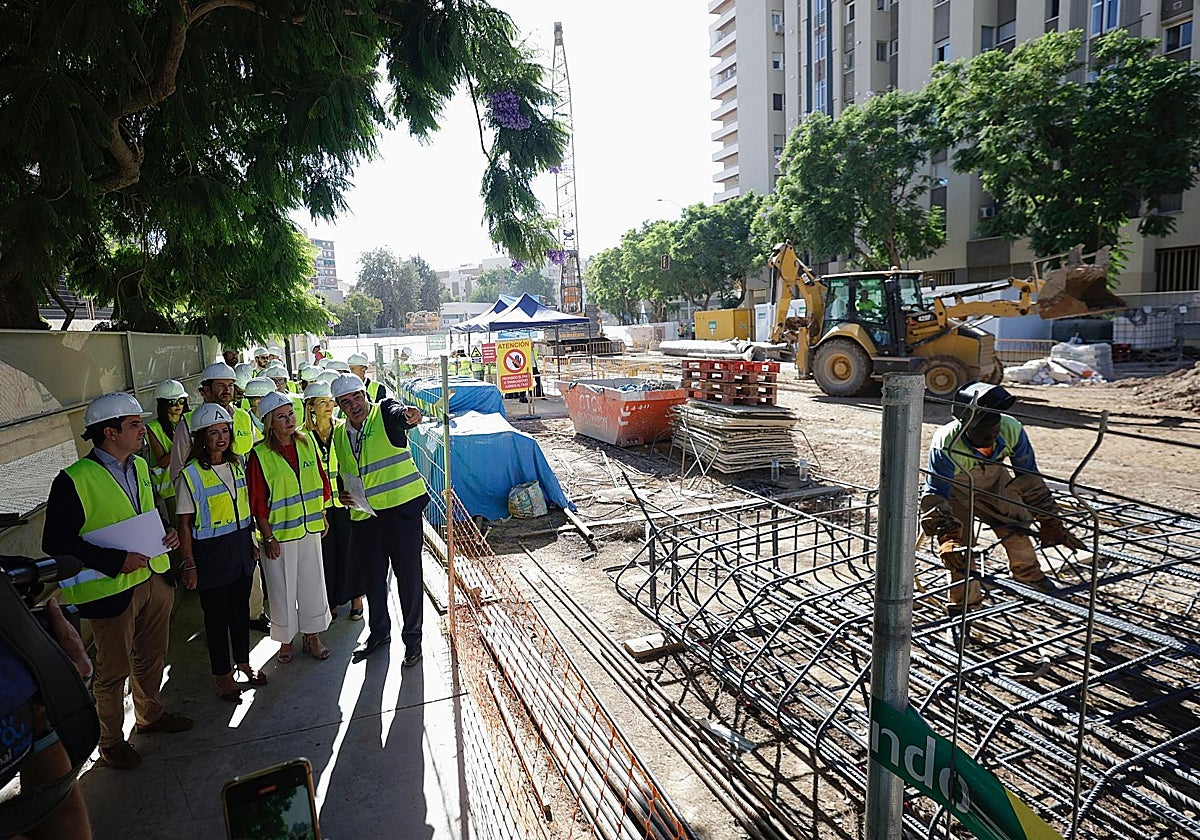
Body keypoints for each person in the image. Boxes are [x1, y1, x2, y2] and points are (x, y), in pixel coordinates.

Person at [43, 392, 190, 770]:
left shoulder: (139, 466)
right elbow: (56, 543)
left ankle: (149, 715)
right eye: (135, 425)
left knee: (152, 656)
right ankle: (110, 743)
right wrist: (114, 560)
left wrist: (167, 531)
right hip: (110, 591)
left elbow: (147, 511)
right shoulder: (73, 481)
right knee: (112, 672)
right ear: (110, 432)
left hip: (153, 577)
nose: (144, 430)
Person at [919, 382, 1087, 614]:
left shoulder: (1011, 429)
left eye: (995, 431)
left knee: (1016, 525)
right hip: (955, 488)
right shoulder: (946, 444)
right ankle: (963, 607)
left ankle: (1028, 576)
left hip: (994, 478)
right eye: (984, 434)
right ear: (966, 427)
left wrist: (1050, 521)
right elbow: (937, 494)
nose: (992, 437)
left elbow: (1029, 479)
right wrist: (948, 536)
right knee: (960, 552)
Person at [331, 374, 429, 666]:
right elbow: (343, 471)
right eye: (346, 402)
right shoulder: (339, 433)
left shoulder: (385, 412)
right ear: (340, 406)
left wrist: (411, 415)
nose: (354, 406)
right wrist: (342, 493)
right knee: (373, 580)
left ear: (365, 395)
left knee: (408, 579)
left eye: (357, 398)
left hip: (400, 514)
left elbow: (403, 416)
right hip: (364, 518)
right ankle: (379, 633)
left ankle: (413, 640)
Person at [174, 404, 264, 701]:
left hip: (239, 548)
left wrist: (250, 541)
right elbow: (184, 523)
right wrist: (188, 563)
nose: (221, 437)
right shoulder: (191, 474)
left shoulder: (237, 464)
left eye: (225, 431)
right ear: (202, 438)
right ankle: (223, 676)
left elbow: (243, 508)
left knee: (240, 612)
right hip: (210, 554)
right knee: (216, 619)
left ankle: (243, 663)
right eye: (213, 433)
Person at [247, 392, 332, 663]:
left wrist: (322, 514)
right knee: (281, 588)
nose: (289, 420)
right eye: (281, 417)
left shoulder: (306, 443)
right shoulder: (259, 454)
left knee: (312, 583)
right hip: (278, 535)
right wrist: (267, 537)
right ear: (270, 422)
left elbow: (320, 480)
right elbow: (257, 500)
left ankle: (312, 635)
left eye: (291, 414)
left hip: (309, 528)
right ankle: (285, 640)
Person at [303, 380, 364, 622]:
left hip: (345, 502)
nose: (329, 406)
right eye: (322, 403)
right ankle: (332, 600)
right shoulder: (303, 436)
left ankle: (356, 598)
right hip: (320, 506)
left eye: (331, 402)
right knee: (326, 555)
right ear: (310, 407)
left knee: (351, 550)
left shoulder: (343, 429)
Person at [169, 362, 255, 481]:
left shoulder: (244, 417)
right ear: (207, 390)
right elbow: (177, 468)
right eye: (220, 385)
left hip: (241, 491)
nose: (227, 390)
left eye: (230, 385)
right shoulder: (188, 423)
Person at [145, 380, 188, 507]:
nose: (178, 405)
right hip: (172, 489)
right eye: (172, 402)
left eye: (181, 400)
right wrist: (182, 444)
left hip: (196, 480)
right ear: (162, 404)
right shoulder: (154, 428)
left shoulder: (191, 419)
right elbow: (162, 462)